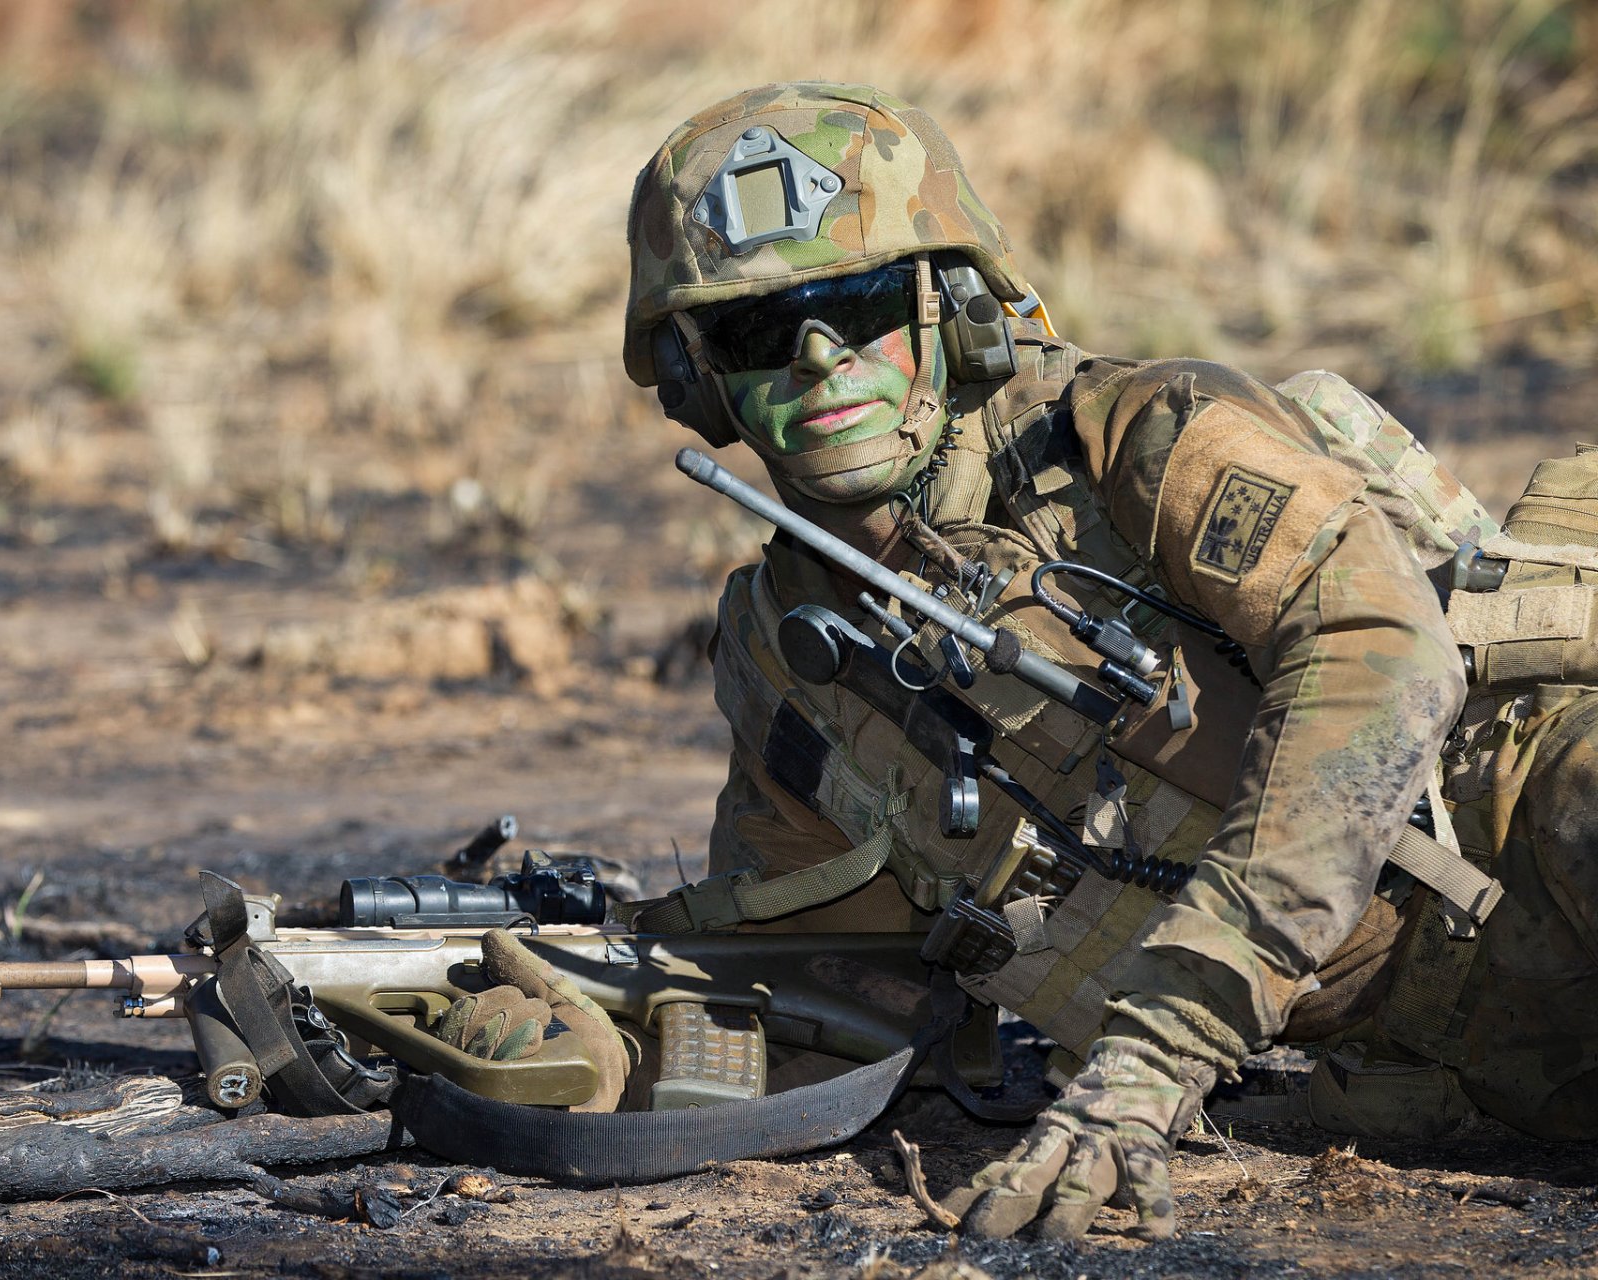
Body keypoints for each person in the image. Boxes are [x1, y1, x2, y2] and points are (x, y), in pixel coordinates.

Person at [619, 81, 1598, 1240]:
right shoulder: (793, 659)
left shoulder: (1139, 432)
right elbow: (812, 973)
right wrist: (568, 1031)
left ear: (952, 308)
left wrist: (1162, 1042)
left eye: (862, 302)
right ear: (696, 378)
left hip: (1532, 820)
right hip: (1436, 1054)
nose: (824, 359)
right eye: (757, 329)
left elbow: (1382, 650)